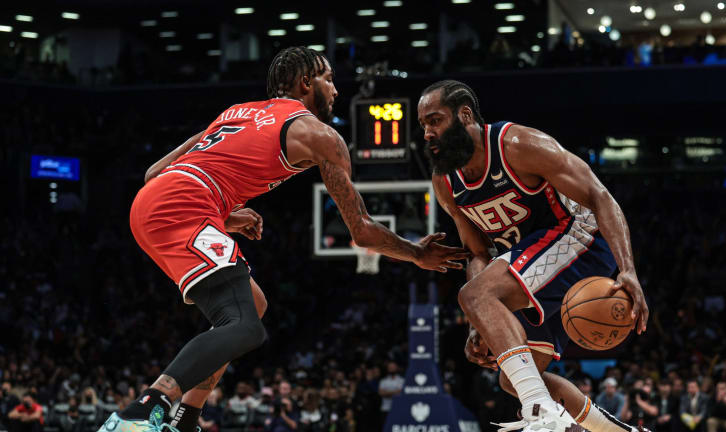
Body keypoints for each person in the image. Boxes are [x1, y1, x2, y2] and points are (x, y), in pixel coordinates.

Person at [96, 46, 467, 432]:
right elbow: (361, 230)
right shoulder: (320, 135)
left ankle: (185, 419)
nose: (336, 89)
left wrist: (224, 213)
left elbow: (154, 174)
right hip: (184, 205)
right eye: (328, 79)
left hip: (157, 203)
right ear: (306, 82)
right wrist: (416, 253)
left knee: (253, 305)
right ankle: (143, 411)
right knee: (244, 326)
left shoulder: (235, 112)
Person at [418, 80, 650, 432]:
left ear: (464, 115)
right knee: (514, 378)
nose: (427, 133)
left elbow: (600, 196)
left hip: (580, 237)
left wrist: (628, 269)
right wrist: (482, 321)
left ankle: (540, 412)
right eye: (423, 125)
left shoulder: (518, 144)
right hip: (530, 263)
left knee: (477, 296)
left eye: (435, 120)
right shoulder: (445, 182)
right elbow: (478, 253)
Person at [378, 362, 404, 427]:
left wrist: (387, 392)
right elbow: (381, 393)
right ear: (387, 369)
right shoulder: (383, 381)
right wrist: (395, 392)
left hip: (398, 409)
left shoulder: (402, 380)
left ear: (397, 368)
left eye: (393, 367)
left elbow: (402, 393)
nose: (391, 369)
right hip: (385, 409)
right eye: (390, 367)